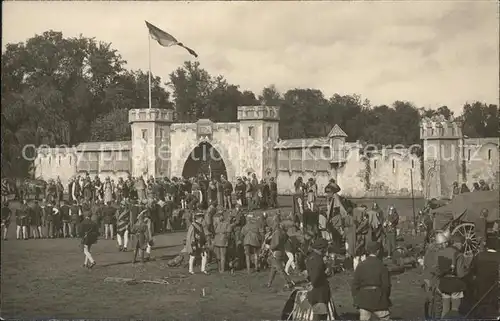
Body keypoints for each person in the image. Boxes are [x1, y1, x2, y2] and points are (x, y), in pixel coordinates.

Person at [351, 241, 391, 320]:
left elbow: (355, 285)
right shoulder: (382, 266)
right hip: (379, 297)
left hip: (364, 298)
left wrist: (357, 298)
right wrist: (385, 297)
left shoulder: (360, 265)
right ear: (378, 251)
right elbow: (386, 286)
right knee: (385, 318)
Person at [436, 234, 469, 318]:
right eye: (462, 243)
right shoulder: (459, 255)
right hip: (455, 285)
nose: (462, 246)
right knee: (455, 310)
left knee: (445, 309)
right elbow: (460, 274)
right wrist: (468, 271)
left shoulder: (441, 252)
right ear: (457, 243)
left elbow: (437, 269)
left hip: (443, 283)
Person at [469, 236, 499, 318]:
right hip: (494, 287)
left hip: (480, 286)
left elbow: (472, 270)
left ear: (487, 246)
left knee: (481, 307)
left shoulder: (479, 255)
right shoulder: (498, 256)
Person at [306, 238, 332, 320]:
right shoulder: (318, 259)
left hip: (316, 289)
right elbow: (316, 274)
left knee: (319, 314)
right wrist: (313, 283)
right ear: (322, 248)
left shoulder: (312, 257)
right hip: (319, 291)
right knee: (320, 315)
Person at [265, 220, 295, 289]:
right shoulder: (284, 233)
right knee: (273, 268)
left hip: (275, 252)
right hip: (281, 251)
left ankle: (288, 282)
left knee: (280, 269)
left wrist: (269, 247)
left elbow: (276, 243)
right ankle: (269, 283)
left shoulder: (277, 232)